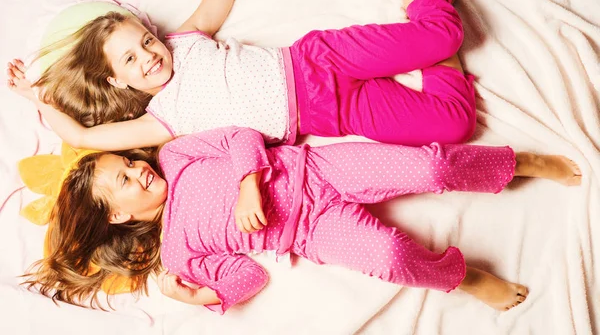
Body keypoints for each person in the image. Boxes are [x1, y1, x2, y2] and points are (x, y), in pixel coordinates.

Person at [22, 125, 582, 313]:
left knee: (430, 167)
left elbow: (240, 136)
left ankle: (514, 164)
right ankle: (465, 277)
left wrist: (248, 182)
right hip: (311, 230)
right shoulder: (177, 255)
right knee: (389, 259)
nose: (136, 171)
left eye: (126, 163)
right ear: (119, 216)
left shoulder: (175, 157)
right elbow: (250, 278)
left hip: (317, 167)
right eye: (123, 181)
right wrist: (199, 298)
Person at [8, 0, 477, 150]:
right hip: (328, 114)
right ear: (116, 78)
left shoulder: (185, 41)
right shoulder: (162, 120)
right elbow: (85, 137)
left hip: (320, 62)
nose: (150, 55)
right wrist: (38, 97)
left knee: (445, 35)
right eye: (131, 58)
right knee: (455, 126)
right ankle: (436, 1)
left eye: (147, 40)